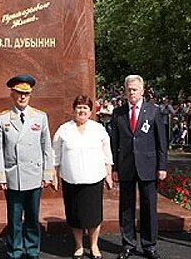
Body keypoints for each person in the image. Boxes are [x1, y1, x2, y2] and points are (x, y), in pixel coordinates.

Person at [0, 74, 55, 259]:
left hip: (34, 174)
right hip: (14, 175)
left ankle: (33, 249)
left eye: (26, 94)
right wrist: (0, 175)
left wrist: (47, 173)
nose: (22, 97)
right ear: (12, 94)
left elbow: (47, 146)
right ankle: (15, 250)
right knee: (14, 218)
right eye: (19, 93)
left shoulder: (40, 117)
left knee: (32, 216)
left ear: (30, 95)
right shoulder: (2, 119)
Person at [110, 75, 168, 259]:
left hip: (148, 166)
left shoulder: (153, 111)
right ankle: (128, 244)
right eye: (128, 89)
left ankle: (149, 245)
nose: (131, 92)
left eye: (134, 89)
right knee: (126, 207)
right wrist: (114, 168)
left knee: (149, 206)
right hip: (126, 165)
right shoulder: (118, 113)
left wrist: (162, 166)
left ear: (142, 90)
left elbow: (162, 142)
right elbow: (114, 142)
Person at [52, 95, 113, 259]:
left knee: (94, 215)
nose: (82, 110)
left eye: (85, 107)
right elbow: (55, 155)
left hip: (94, 180)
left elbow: (107, 153)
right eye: (79, 107)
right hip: (71, 180)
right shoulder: (64, 129)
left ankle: (94, 246)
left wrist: (108, 175)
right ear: (73, 110)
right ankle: (78, 246)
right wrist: (54, 175)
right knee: (74, 215)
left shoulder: (98, 129)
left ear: (91, 111)